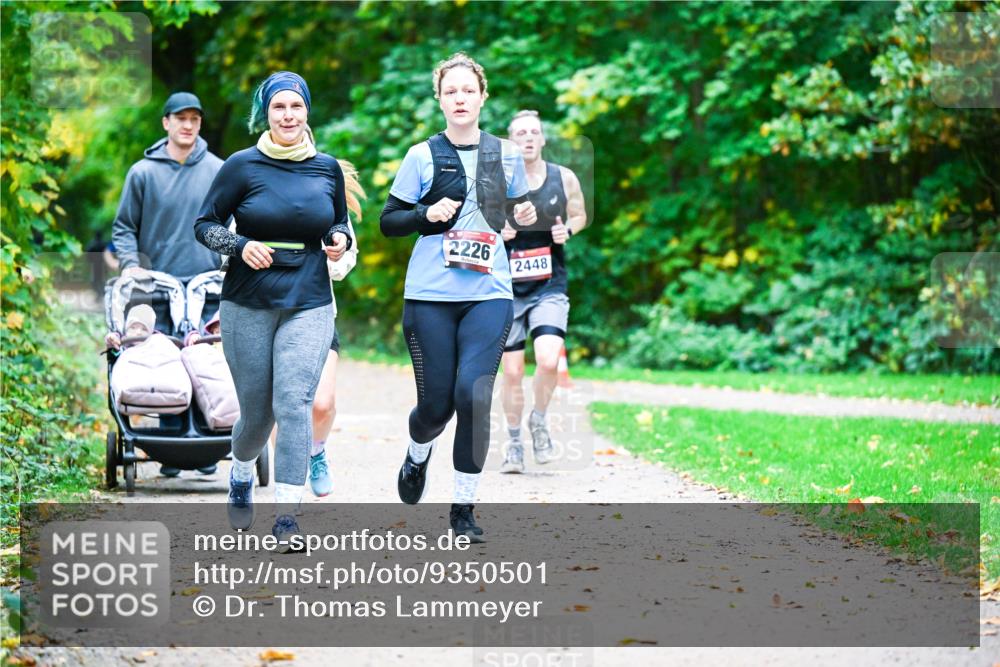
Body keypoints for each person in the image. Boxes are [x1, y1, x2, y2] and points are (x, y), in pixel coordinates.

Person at [380, 53, 536, 542]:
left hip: (489, 294)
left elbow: (515, 213)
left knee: (473, 393)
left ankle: (463, 509)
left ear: (483, 97)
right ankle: (417, 453)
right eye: (451, 91)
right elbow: (388, 222)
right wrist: (425, 215)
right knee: (435, 410)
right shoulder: (421, 155)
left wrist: (523, 216)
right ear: (440, 99)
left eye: (469, 90)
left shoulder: (505, 154)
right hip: (429, 296)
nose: (460, 98)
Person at [194, 71, 352, 548]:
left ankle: (287, 516)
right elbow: (204, 225)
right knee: (257, 415)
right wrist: (240, 245)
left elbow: (339, 222)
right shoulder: (242, 166)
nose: (288, 115)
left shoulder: (326, 168)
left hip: (309, 298)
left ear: (307, 112)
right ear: (266, 114)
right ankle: (242, 471)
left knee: (294, 403)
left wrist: (339, 240)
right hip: (249, 300)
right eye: (279, 107)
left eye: (296, 106)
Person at [111, 91, 224, 478]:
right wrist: (131, 265)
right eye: (180, 118)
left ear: (200, 124)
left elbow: (231, 223)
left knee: (204, 362)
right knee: (165, 362)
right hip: (156, 286)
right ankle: (172, 452)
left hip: (206, 286)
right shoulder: (142, 173)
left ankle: (206, 448)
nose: (188, 125)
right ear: (166, 123)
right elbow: (124, 228)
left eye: (194, 119)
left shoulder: (217, 170)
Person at [499, 110, 587, 473]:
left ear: (543, 139)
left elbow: (579, 215)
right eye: (520, 133)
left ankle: (538, 419)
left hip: (549, 285)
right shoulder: (497, 182)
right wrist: (498, 231)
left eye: (533, 132)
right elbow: (476, 223)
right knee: (513, 373)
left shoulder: (563, 177)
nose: (528, 138)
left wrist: (568, 230)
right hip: (505, 289)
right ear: (511, 141)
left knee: (549, 360)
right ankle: (514, 442)